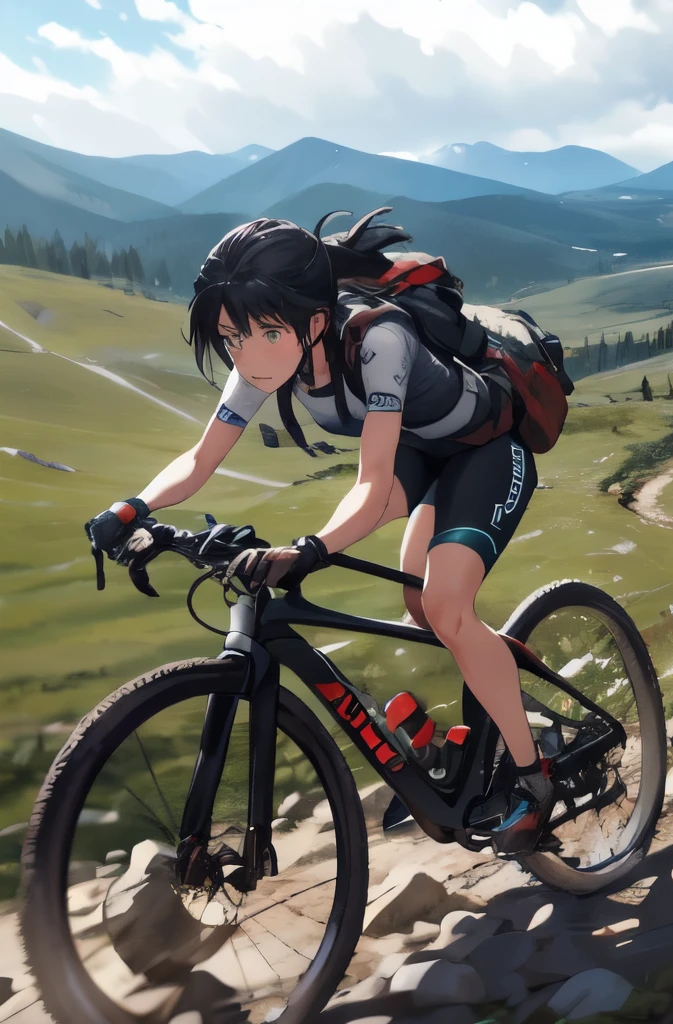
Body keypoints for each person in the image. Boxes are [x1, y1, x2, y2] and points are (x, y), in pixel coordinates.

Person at [84, 215, 553, 855]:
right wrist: (132, 509)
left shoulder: (379, 339)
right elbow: (199, 459)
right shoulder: (260, 360)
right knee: (423, 606)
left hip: (487, 448)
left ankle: (534, 778)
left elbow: (371, 483)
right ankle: (495, 693)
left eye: (263, 333)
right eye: (230, 338)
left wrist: (310, 548)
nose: (246, 355)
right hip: (420, 451)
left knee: (445, 605)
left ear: (311, 321)